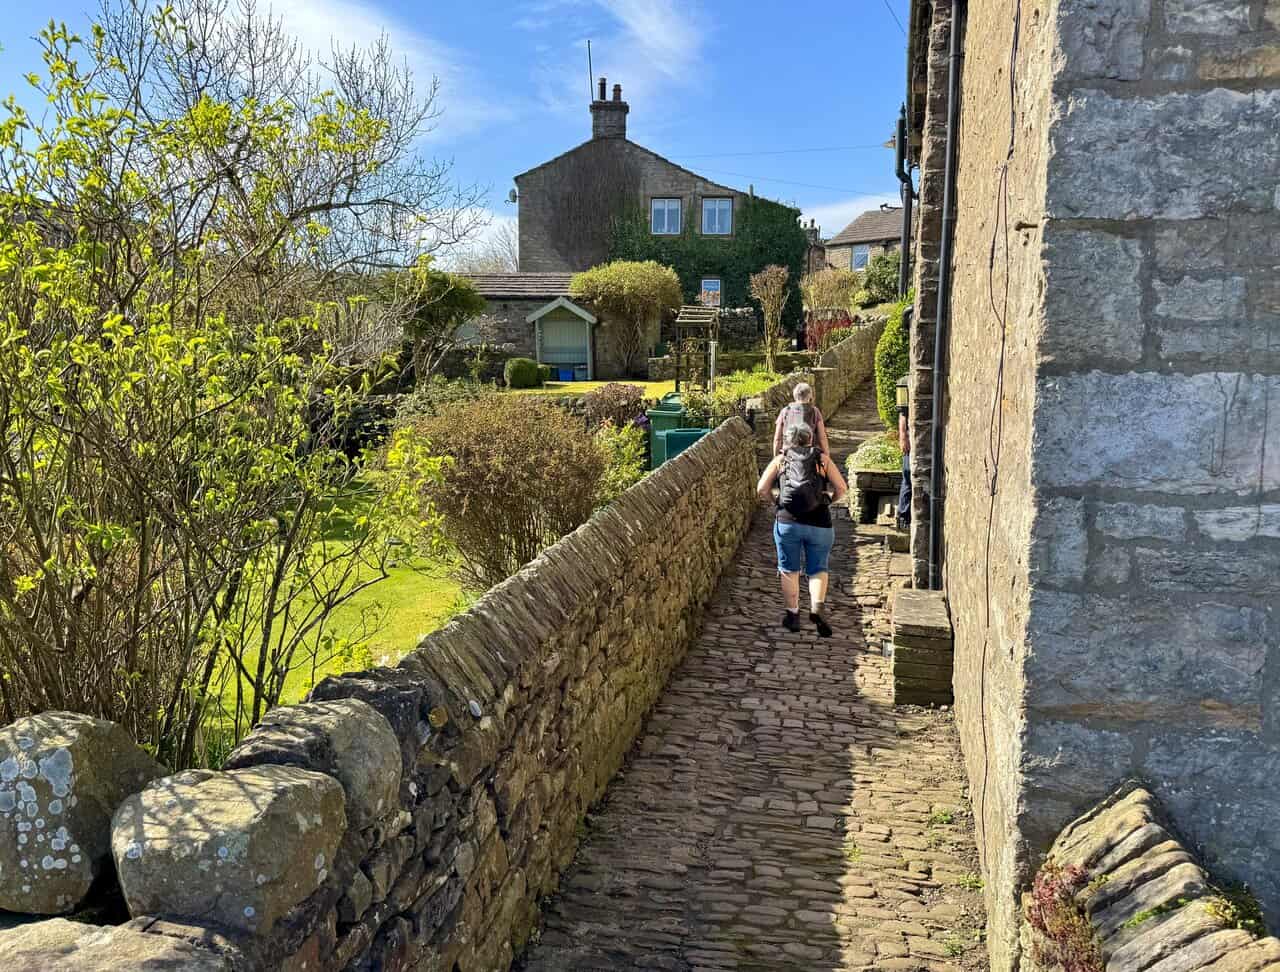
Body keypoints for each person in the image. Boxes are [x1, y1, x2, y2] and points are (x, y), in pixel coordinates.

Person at [757, 423, 848, 637]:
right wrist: (828, 501)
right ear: (810, 439)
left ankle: (793, 615)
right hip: (820, 522)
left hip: (788, 522)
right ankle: (816, 608)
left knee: (789, 569)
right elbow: (842, 488)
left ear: (788, 440)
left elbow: (761, 488)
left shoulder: (781, 460)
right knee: (818, 568)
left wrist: (776, 501)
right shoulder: (822, 460)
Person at [773, 382, 830, 457]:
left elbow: (777, 439)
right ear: (810, 396)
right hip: (809, 455)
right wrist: (827, 457)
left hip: (788, 454)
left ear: (794, 396)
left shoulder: (785, 411)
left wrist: (776, 458)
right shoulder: (815, 411)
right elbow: (822, 438)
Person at [897, 398, 912, 531]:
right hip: (910, 443)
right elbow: (902, 413)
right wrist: (903, 437)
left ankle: (904, 516)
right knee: (908, 477)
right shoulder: (903, 388)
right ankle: (903, 517)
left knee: (908, 479)